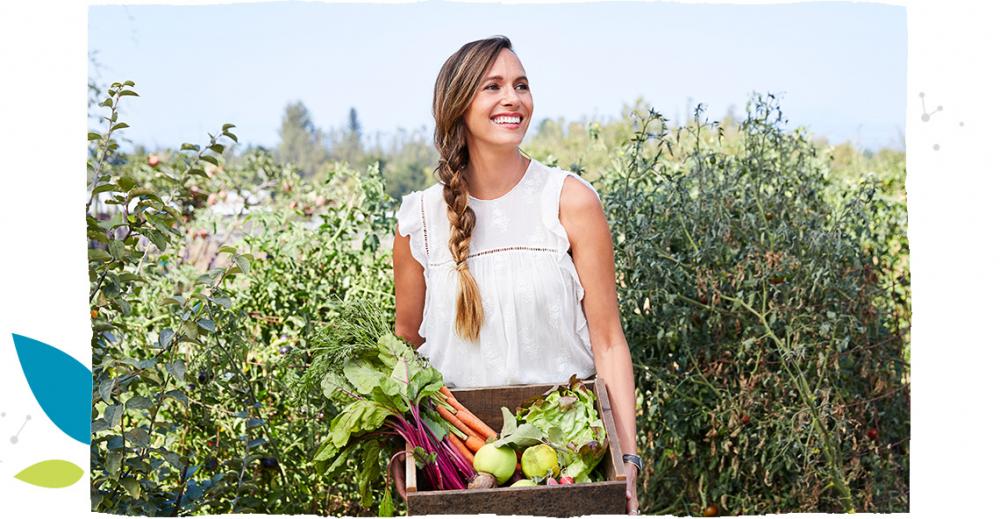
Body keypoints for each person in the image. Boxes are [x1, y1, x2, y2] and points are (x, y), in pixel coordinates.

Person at [391, 35, 641, 515]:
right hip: (460, 465)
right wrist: (405, 448)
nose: (513, 98)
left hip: (571, 458)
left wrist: (627, 459)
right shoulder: (419, 220)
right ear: (458, 105)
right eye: (493, 87)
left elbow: (609, 342)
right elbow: (407, 349)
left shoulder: (570, 200)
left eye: (521, 85)